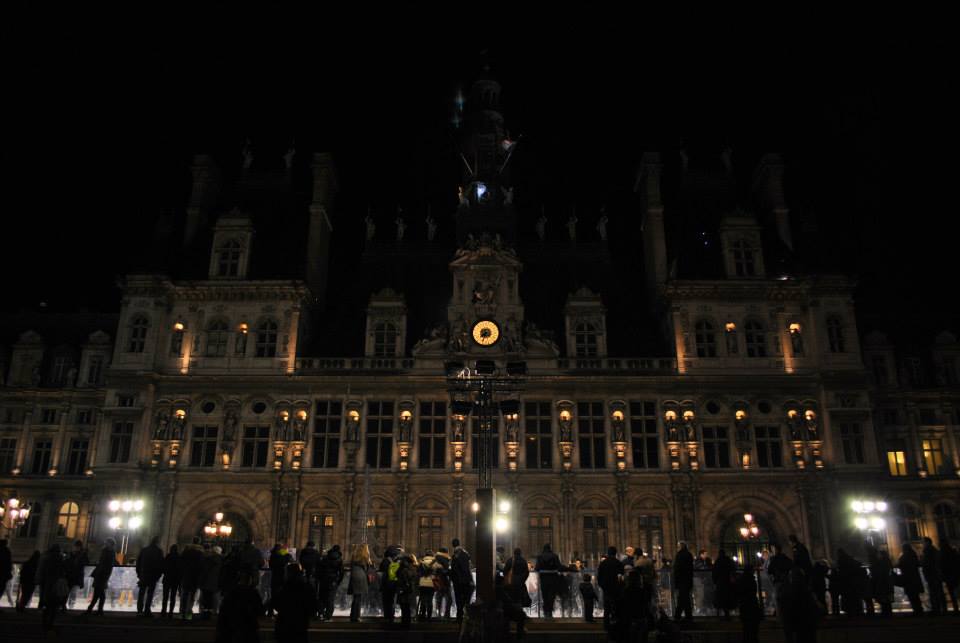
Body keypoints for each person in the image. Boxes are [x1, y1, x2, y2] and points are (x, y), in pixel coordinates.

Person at [273, 563, 316, 643]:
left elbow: (276, 604)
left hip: (285, 623)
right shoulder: (307, 587)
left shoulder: (284, 588)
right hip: (301, 623)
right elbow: (312, 604)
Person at [216, 570, 263, 643]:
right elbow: (260, 611)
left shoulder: (231, 593)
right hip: (249, 628)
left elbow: (223, 613)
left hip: (233, 629)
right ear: (250, 580)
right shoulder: (253, 593)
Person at [778, 568, 821, 643]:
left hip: (796, 626)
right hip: (807, 625)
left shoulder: (787, 591)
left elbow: (785, 610)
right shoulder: (807, 591)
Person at [36, 543, 68, 631]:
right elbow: (63, 571)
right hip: (55, 584)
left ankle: (44, 623)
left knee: (47, 604)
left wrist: (39, 580)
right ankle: (50, 623)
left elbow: (41, 570)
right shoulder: (59, 558)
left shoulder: (45, 557)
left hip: (46, 583)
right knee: (54, 606)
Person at [597, 546, 624, 633]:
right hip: (616, 590)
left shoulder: (603, 564)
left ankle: (606, 626)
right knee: (616, 608)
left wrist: (603, 586)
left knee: (607, 609)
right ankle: (616, 627)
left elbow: (599, 577)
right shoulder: (618, 563)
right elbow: (621, 577)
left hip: (606, 589)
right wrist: (619, 587)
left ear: (608, 553)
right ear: (615, 553)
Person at [86, 538, 116, 616]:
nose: (105, 543)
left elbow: (104, 564)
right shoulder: (109, 552)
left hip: (101, 575)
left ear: (110, 543)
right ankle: (98, 610)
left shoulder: (107, 552)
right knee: (101, 593)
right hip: (103, 575)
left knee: (98, 592)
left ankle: (91, 609)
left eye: (106, 542)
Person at [136, 536, 164, 616]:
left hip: (144, 574)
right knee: (150, 594)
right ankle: (147, 610)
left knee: (141, 593)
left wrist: (139, 574)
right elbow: (160, 564)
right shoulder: (159, 551)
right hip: (153, 576)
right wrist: (158, 576)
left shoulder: (144, 550)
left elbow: (138, 562)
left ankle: (139, 610)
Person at [534, 543, 564, 619]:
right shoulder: (554, 556)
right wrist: (570, 569)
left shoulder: (540, 557)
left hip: (543, 579)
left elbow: (537, 568)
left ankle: (545, 612)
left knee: (545, 596)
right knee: (551, 596)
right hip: (553, 579)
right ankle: (549, 613)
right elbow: (559, 567)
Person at [735, 563, 762, 643]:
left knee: (746, 629)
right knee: (753, 629)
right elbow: (753, 592)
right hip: (751, 606)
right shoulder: (751, 580)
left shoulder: (741, 580)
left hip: (744, 607)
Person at [179, 536, 205, 620]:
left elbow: (181, 563)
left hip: (186, 576)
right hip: (195, 577)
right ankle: (189, 611)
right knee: (192, 596)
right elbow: (201, 567)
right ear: (198, 542)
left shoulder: (186, 551)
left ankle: (182, 611)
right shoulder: (200, 553)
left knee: (184, 595)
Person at [495, 571, 527, 640]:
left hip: (505, 611)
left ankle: (514, 635)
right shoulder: (501, 589)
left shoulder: (499, 588)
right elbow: (508, 601)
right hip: (506, 611)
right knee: (521, 615)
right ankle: (519, 636)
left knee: (520, 614)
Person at [895, 543, 924, 615]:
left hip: (908, 579)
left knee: (912, 595)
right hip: (914, 578)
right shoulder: (913, 555)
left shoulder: (904, 556)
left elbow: (900, 564)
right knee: (915, 596)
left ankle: (917, 610)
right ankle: (919, 610)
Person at [316, 544, 343, 621]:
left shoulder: (325, 558)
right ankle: (328, 616)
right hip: (333, 581)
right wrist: (338, 581)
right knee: (330, 599)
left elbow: (319, 569)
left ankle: (320, 613)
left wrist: (320, 578)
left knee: (322, 597)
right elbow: (341, 572)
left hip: (324, 580)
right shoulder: (339, 560)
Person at [450, 538, 474, 623]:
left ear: (453, 545)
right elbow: (468, 568)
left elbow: (454, 569)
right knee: (466, 600)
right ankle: (466, 616)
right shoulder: (466, 554)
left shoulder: (455, 556)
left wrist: (451, 578)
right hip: (467, 581)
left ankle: (459, 617)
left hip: (458, 581)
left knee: (459, 599)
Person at [347, 544, 373, 622]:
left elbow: (351, 566)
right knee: (358, 599)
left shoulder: (354, 556)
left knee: (355, 598)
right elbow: (368, 568)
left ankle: (352, 616)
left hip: (354, 577)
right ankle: (357, 616)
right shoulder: (365, 557)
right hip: (361, 578)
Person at [921, 537, 946, 614]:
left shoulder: (928, 551)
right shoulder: (934, 550)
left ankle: (937, 609)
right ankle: (941, 609)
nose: (922, 544)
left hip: (932, 575)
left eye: (923, 542)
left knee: (934, 592)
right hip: (934, 574)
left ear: (927, 542)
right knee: (937, 592)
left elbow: (927, 564)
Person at [866, 544, 893, 617]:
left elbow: (878, 571)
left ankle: (885, 612)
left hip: (882, 581)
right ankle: (888, 612)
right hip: (886, 581)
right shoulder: (886, 561)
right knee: (886, 597)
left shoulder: (881, 562)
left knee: (883, 597)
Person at [503, 548, 531, 614]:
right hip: (520, 583)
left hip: (511, 582)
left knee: (511, 598)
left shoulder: (510, 560)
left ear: (514, 553)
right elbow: (526, 572)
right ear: (520, 553)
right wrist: (522, 580)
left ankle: (512, 613)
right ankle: (519, 613)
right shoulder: (523, 560)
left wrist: (508, 579)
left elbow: (505, 571)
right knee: (519, 599)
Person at [267, 544, 292, 616]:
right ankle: (280, 611)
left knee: (273, 595)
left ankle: (270, 611)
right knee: (281, 595)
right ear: (279, 549)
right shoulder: (281, 556)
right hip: (281, 578)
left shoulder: (273, 556)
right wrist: (284, 552)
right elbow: (289, 557)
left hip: (274, 578)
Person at [396, 552, 419, 627]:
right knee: (407, 608)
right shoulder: (412, 569)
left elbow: (400, 579)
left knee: (404, 608)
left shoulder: (403, 570)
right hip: (409, 591)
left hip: (403, 591)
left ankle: (405, 623)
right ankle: (407, 623)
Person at [200, 545, 224, 619]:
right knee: (215, 599)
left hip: (207, 582)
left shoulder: (208, 559)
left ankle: (205, 613)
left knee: (206, 599)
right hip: (216, 583)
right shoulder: (222, 560)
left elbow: (204, 571)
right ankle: (213, 613)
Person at [672, 542, 694, 623]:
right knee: (685, 598)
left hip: (681, 580)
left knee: (682, 598)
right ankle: (685, 615)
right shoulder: (688, 555)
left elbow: (677, 569)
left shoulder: (679, 555)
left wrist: (676, 580)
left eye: (678, 546)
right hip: (687, 580)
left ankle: (679, 615)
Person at [711, 549, 736, 619]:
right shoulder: (728, 561)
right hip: (727, 581)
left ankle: (721, 614)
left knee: (721, 599)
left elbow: (714, 572)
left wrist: (715, 581)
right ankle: (727, 613)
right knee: (727, 598)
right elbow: (733, 569)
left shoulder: (718, 561)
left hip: (720, 582)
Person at [65, 540, 89, 609]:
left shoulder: (80, 555)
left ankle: (70, 605)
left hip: (74, 577)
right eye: (75, 547)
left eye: (77, 547)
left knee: (72, 592)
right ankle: (68, 605)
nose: (76, 548)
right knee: (70, 592)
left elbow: (85, 563)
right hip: (72, 576)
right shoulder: (72, 554)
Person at [378, 545, 400, 622]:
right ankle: (391, 615)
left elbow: (381, 571)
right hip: (393, 583)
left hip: (385, 584)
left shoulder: (385, 561)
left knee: (386, 601)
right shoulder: (395, 562)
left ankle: (387, 616)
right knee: (392, 600)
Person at [297, 541, 321, 607]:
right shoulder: (316, 553)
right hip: (313, 574)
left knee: (303, 591)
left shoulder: (303, 552)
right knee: (313, 592)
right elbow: (319, 563)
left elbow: (301, 560)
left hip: (304, 574)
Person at [417, 549, 437, 622]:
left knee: (423, 599)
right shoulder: (435, 563)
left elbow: (418, 573)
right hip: (431, 583)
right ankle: (429, 616)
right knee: (430, 600)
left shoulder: (421, 562)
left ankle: (423, 615)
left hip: (422, 583)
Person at [161, 543, 180, 617]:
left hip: (167, 579)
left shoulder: (168, 556)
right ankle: (171, 612)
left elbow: (163, 566)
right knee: (173, 597)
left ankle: (163, 611)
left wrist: (165, 573)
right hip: (175, 580)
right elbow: (179, 570)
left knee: (165, 596)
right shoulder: (178, 557)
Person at [433, 546, 453, 620]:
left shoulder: (436, 558)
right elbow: (448, 569)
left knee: (439, 598)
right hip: (445, 581)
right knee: (449, 599)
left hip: (438, 581)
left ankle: (439, 614)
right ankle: (446, 614)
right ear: (445, 552)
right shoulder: (445, 559)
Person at [941, 540, 960, 612]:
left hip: (948, 576)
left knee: (952, 593)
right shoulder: (953, 553)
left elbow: (941, 565)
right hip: (955, 575)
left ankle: (955, 608)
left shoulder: (943, 554)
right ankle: (956, 607)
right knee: (956, 591)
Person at [0, 539, 12, 609]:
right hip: (3, 574)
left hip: (3, 573)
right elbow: (8, 563)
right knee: (2, 588)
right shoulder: (6, 551)